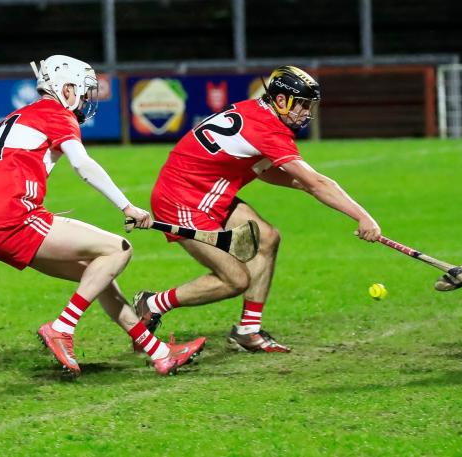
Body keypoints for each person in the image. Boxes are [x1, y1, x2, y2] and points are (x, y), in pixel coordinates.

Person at [0, 55, 205, 376]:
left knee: (97, 276)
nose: (84, 101)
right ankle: (62, 328)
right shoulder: (56, 114)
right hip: (21, 220)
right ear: (65, 88)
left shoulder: (9, 121)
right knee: (118, 250)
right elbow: (82, 165)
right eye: (82, 93)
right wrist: (126, 206)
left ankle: (159, 352)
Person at [133, 65, 381, 352]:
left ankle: (248, 331)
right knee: (234, 279)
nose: (305, 112)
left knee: (267, 237)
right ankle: (152, 303)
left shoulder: (255, 110)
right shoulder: (269, 129)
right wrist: (363, 217)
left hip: (208, 192)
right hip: (182, 200)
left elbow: (261, 170)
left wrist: (301, 184)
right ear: (280, 100)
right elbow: (319, 183)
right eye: (301, 104)